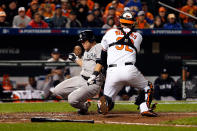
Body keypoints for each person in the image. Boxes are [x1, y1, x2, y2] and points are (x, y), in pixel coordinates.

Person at [88, 11, 157, 117]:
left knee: (108, 99)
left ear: (120, 21)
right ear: (132, 22)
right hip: (129, 69)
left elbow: (102, 56)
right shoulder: (138, 36)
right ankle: (144, 108)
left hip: (111, 72)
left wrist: (94, 74)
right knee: (148, 87)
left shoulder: (110, 32)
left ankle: (103, 104)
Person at [50, 30, 104, 115]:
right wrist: (75, 59)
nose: (82, 43)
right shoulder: (87, 50)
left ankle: (83, 107)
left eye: (84, 41)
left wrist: (95, 74)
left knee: (72, 100)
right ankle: (82, 101)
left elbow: (100, 63)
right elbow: (85, 65)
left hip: (93, 83)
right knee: (57, 90)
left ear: (91, 39)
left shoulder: (99, 47)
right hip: (82, 79)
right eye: (81, 41)